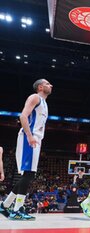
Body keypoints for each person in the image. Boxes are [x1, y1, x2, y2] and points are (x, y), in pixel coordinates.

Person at [0, 79, 53, 220]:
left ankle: (5, 205)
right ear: (40, 87)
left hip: (35, 139)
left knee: (29, 175)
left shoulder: (44, 103)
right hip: (29, 138)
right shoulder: (35, 97)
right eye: (48, 84)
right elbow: (23, 116)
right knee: (28, 174)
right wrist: (29, 136)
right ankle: (17, 209)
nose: (51, 85)